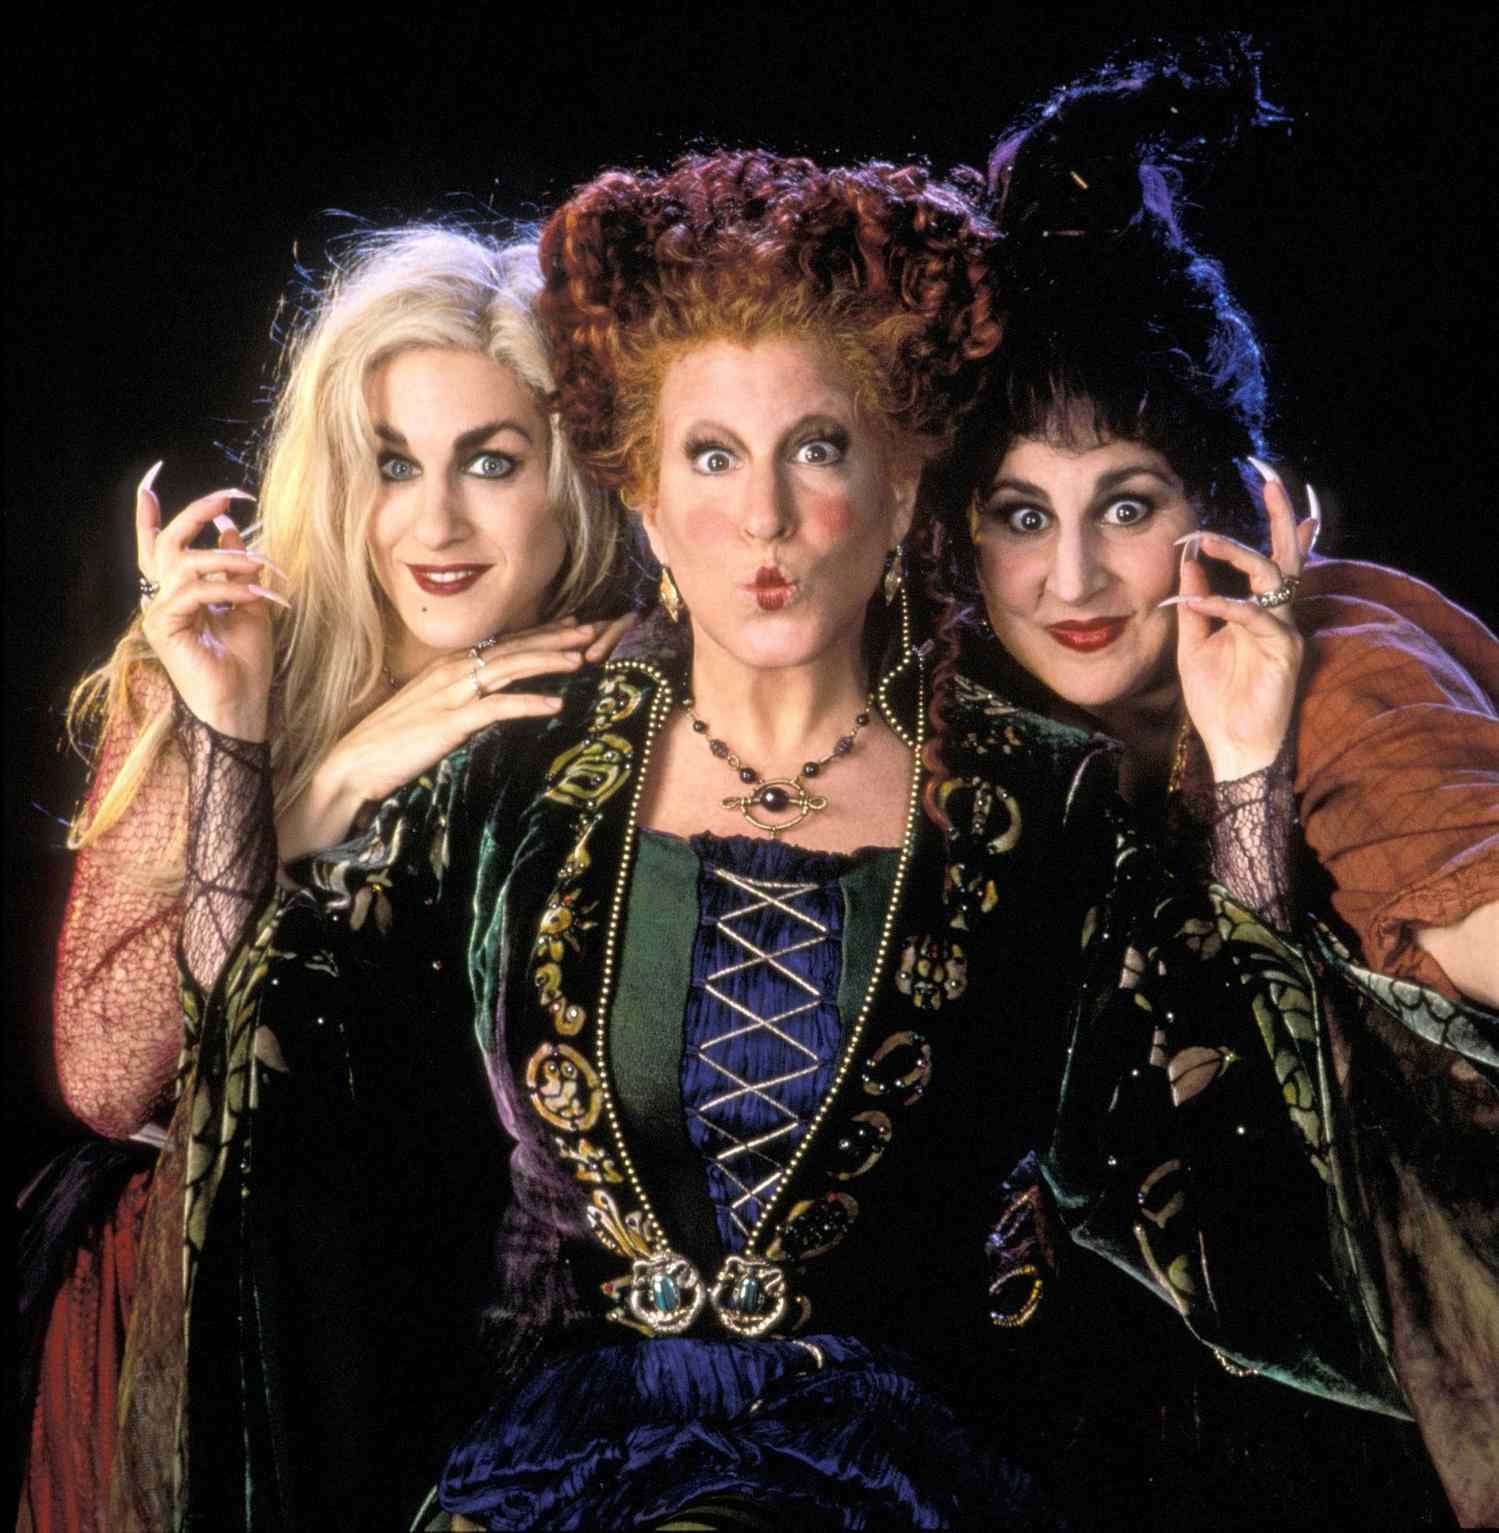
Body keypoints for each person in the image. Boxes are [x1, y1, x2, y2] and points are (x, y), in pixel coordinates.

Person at [148, 149, 1402, 1532]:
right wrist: (229, 734)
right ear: (643, 499)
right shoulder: (519, 781)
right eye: (713, 456)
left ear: (903, 486)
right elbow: (263, 1067)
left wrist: (1248, 771)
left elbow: (1233, 1170)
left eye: (816, 449)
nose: (766, 519)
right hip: (555, 1474)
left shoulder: (1045, 807)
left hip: (895, 1472)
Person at [932, 44, 1499, 1525]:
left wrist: (1251, 774)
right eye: (1019, 517)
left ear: (1234, 503)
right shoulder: (994, 718)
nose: (1071, 580)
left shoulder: (1344, 671)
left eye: (1125, 507)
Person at [18, 225, 632, 1533]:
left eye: (491, 461)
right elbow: (115, 1078)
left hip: (481, 1326)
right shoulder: (215, 654)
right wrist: (281, 774)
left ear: (573, 476)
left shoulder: (626, 685)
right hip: (203, 1316)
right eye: (391, 463)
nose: (435, 523)